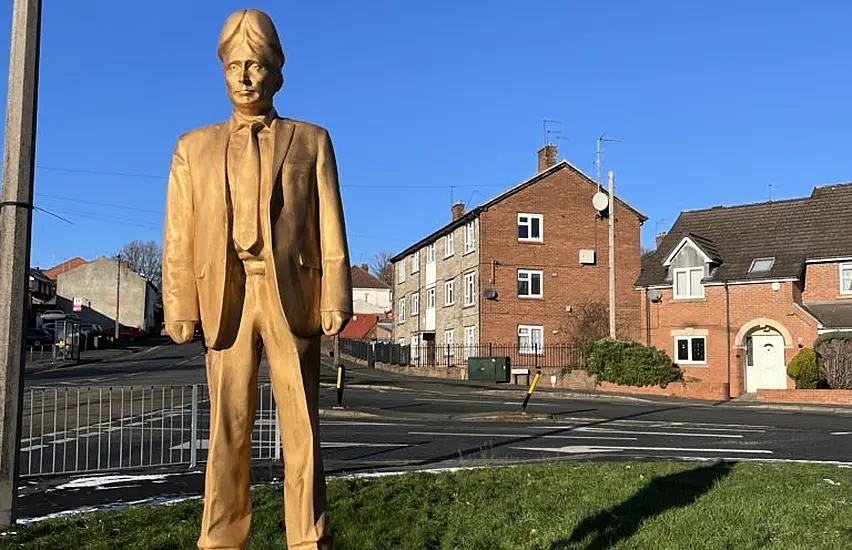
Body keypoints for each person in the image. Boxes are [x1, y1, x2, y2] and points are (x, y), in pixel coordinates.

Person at [162, 9, 352, 550]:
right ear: (222, 71)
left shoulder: (311, 140)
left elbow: (330, 222)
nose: (245, 76)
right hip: (227, 293)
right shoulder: (191, 147)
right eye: (235, 66)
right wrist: (179, 304)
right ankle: (221, 539)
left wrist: (335, 292)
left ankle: (308, 538)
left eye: (256, 65)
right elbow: (178, 234)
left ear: (277, 73)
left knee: (302, 428)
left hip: (291, 290)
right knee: (227, 429)